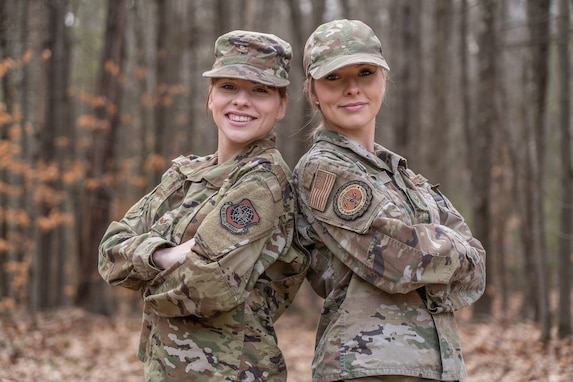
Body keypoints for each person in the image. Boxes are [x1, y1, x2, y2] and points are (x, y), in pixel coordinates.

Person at [98, 30, 308, 381]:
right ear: (210, 97)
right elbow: (108, 250)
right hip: (167, 368)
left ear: (281, 105)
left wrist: (140, 277)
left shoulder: (264, 182)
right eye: (228, 87)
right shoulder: (187, 175)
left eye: (260, 90)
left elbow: (205, 287)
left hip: (230, 370)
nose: (242, 101)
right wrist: (167, 255)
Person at [294, 19, 486, 382]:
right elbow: (400, 260)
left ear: (384, 80)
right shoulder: (323, 170)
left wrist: (439, 248)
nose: (352, 88)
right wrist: (447, 248)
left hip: (436, 366)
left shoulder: (401, 174)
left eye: (365, 73)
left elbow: (477, 261)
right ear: (313, 92)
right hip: (367, 368)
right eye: (334, 77)